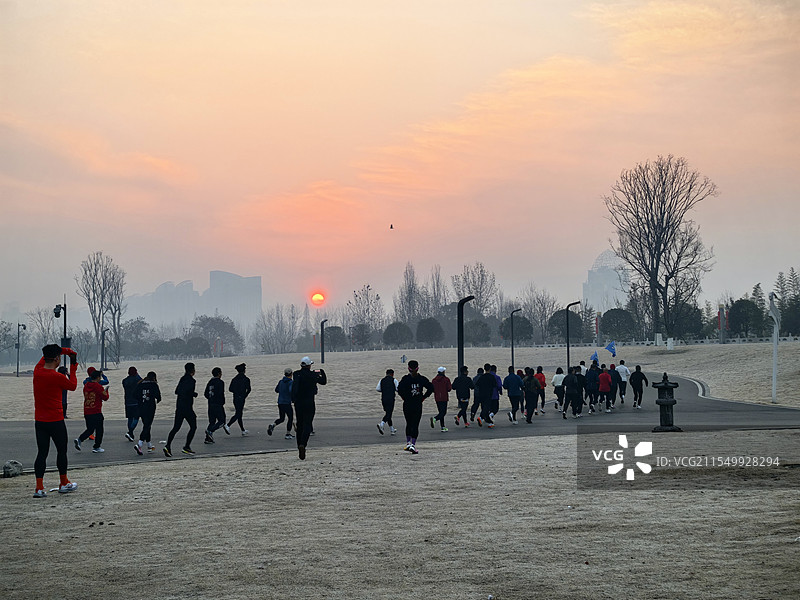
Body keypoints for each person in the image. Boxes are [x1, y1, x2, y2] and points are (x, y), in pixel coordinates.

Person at [33, 344, 78, 498]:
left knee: (42, 453)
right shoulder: (57, 376)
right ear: (58, 359)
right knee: (61, 451)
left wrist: (64, 351)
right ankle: (63, 482)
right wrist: (73, 364)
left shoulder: (37, 371)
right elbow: (72, 386)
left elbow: (45, 357)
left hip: (40, 420)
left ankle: (39, 487)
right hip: (56, 420)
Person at [291, 357, 326, 460]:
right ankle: (303, 444)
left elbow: (294, 387)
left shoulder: (296, 374)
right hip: (309, 402)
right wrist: (322, 373)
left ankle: (299, 446)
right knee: (307, 424)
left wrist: (293, 399)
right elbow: (323, 382)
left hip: (298, 403)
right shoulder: (313, 375)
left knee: (299, 424)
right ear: (309, 365)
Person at [396, 359, 433, 453]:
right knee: (415, 424)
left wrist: (404, 397)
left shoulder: (405, 379)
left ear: (408, 369)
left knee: (409, 423)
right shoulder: (421, 379)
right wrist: (424, 397)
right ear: (418, 368)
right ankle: (413, 444)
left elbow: (399, 389)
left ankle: (408, 442)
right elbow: (431, 387)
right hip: (417, 404)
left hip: (407, 404)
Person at [164, 362, 199, 457]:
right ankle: (187, 447)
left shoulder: (182, 379)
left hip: (179, 407)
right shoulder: (192, 381)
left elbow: (177, 391)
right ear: (193, 370)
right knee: (193, 426)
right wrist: (194, 394)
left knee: (176, 428)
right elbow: (186, 392)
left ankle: (168, 445)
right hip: (187, 407)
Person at [75, 367, 109, 453]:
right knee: (99, 429)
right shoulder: (98, 386)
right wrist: (106, 391)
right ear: (97, 378)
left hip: (87, 411)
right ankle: (96, 446)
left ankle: (79, 439)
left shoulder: (86, 385)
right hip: (96, 411)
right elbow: (105, 397)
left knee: (90, 429)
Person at [134, 371, 161, 455]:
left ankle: (149, 445)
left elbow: (134, 395)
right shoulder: (153, 384)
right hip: (150, 408)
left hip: (141, 408)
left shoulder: (140, 383)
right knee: (147, 425)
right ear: (154, 377)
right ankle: (140, 444)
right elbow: (159, 397)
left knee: (146, 425)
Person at [204, 367, 229, 444]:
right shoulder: (220, 382)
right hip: (218, 404)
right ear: (219, 374)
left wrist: (211, 398)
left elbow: (205, 394)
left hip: (210, 404)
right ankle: (210, 431)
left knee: (212, 421)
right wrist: (222, 401)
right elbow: (221, 393)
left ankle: (208, 438)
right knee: (222, 421)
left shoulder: (210, 382)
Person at [269, 368, 295, 439]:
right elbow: (290, 391)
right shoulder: (291, 382)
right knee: (290, 418)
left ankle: (273, 424)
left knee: (282, 418)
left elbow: (276, 390)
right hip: (287, 403)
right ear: (291, 374)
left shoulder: (281, 382)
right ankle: (288, 434)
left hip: (280, 402)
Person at [227, 363, 252, 436]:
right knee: (238, 413)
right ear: (244, 370)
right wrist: (244, 395)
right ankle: (228, 425)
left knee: (239, 413)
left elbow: (230, 389)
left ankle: (243, 430)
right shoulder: (246, 379)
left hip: (235, 398)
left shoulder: (234, 379)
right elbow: (249, 389)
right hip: (242, 398)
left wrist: (236, 392)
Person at [122, 366, 142, 441]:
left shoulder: (124, 381)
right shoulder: (138, 380)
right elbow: (141, 381)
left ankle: (131, 434)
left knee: (130, 418)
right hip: (136, 402)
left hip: (127, 401)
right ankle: (130, 432)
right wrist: (137, 374)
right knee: (136, 418)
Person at [376, 368, 399, 435]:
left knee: (388, 413)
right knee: (389, 413)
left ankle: (392, 429)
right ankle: (382, 424)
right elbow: (398, 389)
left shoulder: (382, 380)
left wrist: (384, 390)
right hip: (391, 399)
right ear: (392, 374)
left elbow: (377, 389)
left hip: (383, 399)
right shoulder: (394, 380)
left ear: (386, 374)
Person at [430, 367, 452, 432]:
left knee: (441, 412)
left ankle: (443, 426)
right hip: (444, 397)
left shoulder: (434, 380)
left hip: (437, 397)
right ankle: (435, 419)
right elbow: (449, 389)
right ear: (443, 372)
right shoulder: (446, 379)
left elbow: (432, 389)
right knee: (443, 412)